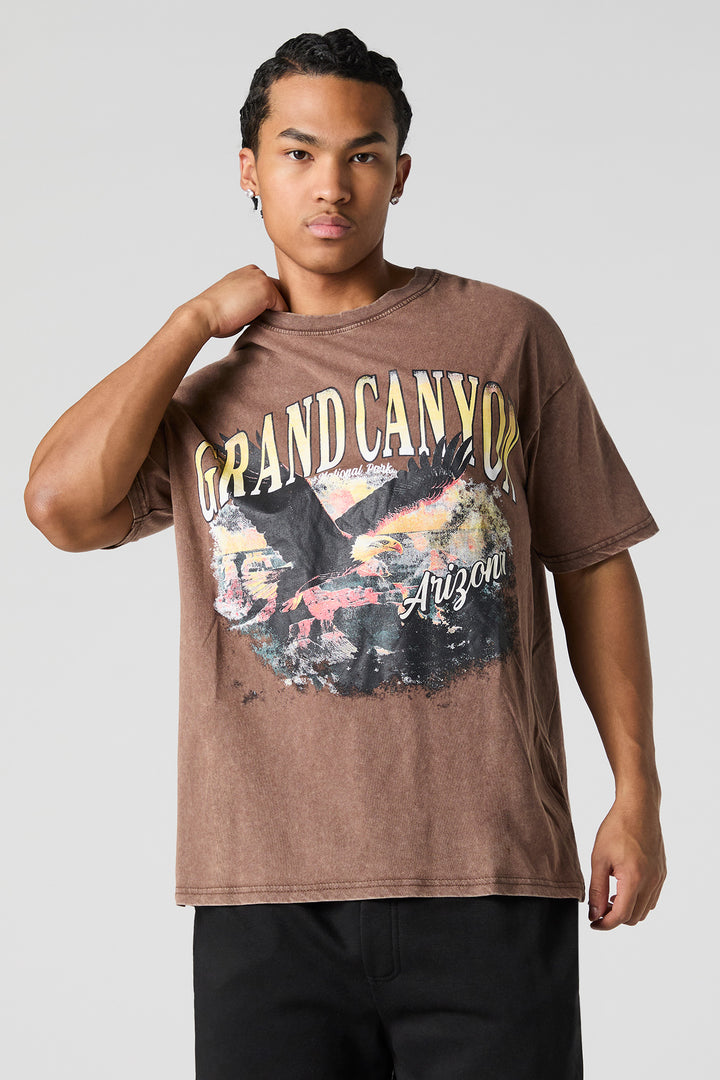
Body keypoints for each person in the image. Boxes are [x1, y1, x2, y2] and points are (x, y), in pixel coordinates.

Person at [24, 27, 666, 1080]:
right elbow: (58, 506)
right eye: (299, 152)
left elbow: (593, 560)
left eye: (363, 155)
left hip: (489, 879)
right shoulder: (204, 401)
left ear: (400, 173)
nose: (332, 185)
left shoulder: (506, 336)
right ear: (249, 170)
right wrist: (191, 323)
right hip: (266, 902)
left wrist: (636, 794)